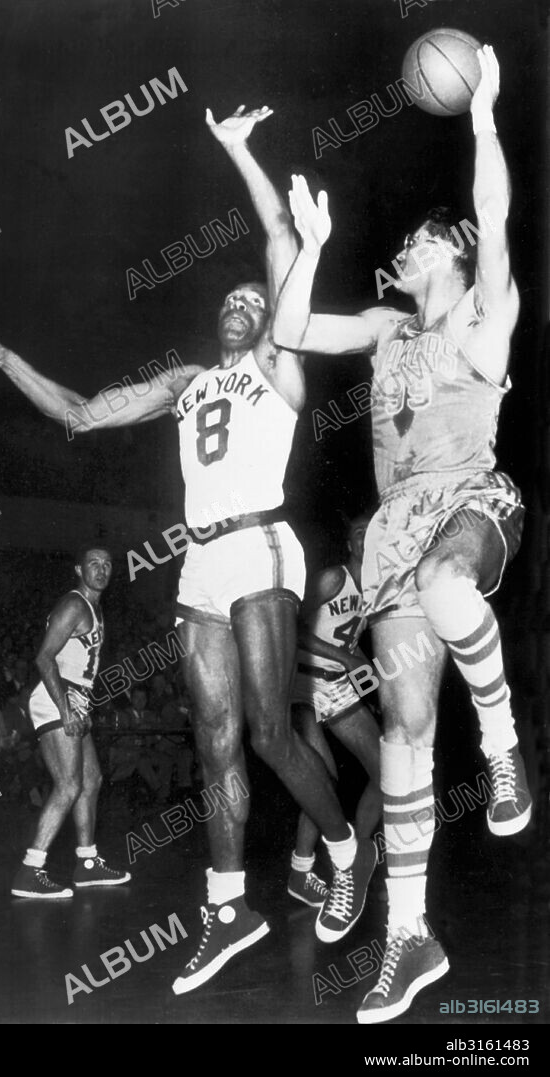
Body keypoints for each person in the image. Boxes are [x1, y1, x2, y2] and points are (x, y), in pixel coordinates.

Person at [0, 105, 376, 990]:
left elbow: (278, 239)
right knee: (217, 741)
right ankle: (228, 908)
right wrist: (7, 361)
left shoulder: (280, 363)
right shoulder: (187, 382)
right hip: (201, 563)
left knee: (269, 730)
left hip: (261, 544)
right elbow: (82, 413)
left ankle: (345, 849)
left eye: (254, 302)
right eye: (231, 301)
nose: (242, 307)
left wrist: (239, 151)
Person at [273, 48, 531, 1023]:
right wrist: (309, 242)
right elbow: (293, 330)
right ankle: (409, 937)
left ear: (450, 255)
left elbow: (494, 215)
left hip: (470, 502)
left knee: (449, 587)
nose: (408, 249)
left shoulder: (479, 319)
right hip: (393, 537)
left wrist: (484, 117)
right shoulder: (388, 327)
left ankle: (502, 745)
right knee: (404, 735)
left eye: (423, 239)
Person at [10, 546, 131, 898]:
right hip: (55, 699)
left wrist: (79, 706)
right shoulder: (74, 604)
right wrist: (66, 710)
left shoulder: (94, 607)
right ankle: (29, 870)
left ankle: (87, 862)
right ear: (79, 569)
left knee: (91, 780)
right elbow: (44, 658)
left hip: (75, 699)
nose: (101, 569)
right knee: (68, 785)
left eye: (107, 564)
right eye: (93, 563)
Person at [288, 513, 381, 920]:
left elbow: (349, 640)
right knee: (321, 777)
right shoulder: (332, 578)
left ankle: (355, 857)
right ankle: (301, 871)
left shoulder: (376, 589)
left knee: (387, 771)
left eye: (372, 532)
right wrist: (346, 658)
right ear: (349, 543)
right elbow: (292, 628)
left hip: (338, 686)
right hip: (302, 683)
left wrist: (370, 674)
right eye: (359, 532)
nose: (365, 538)